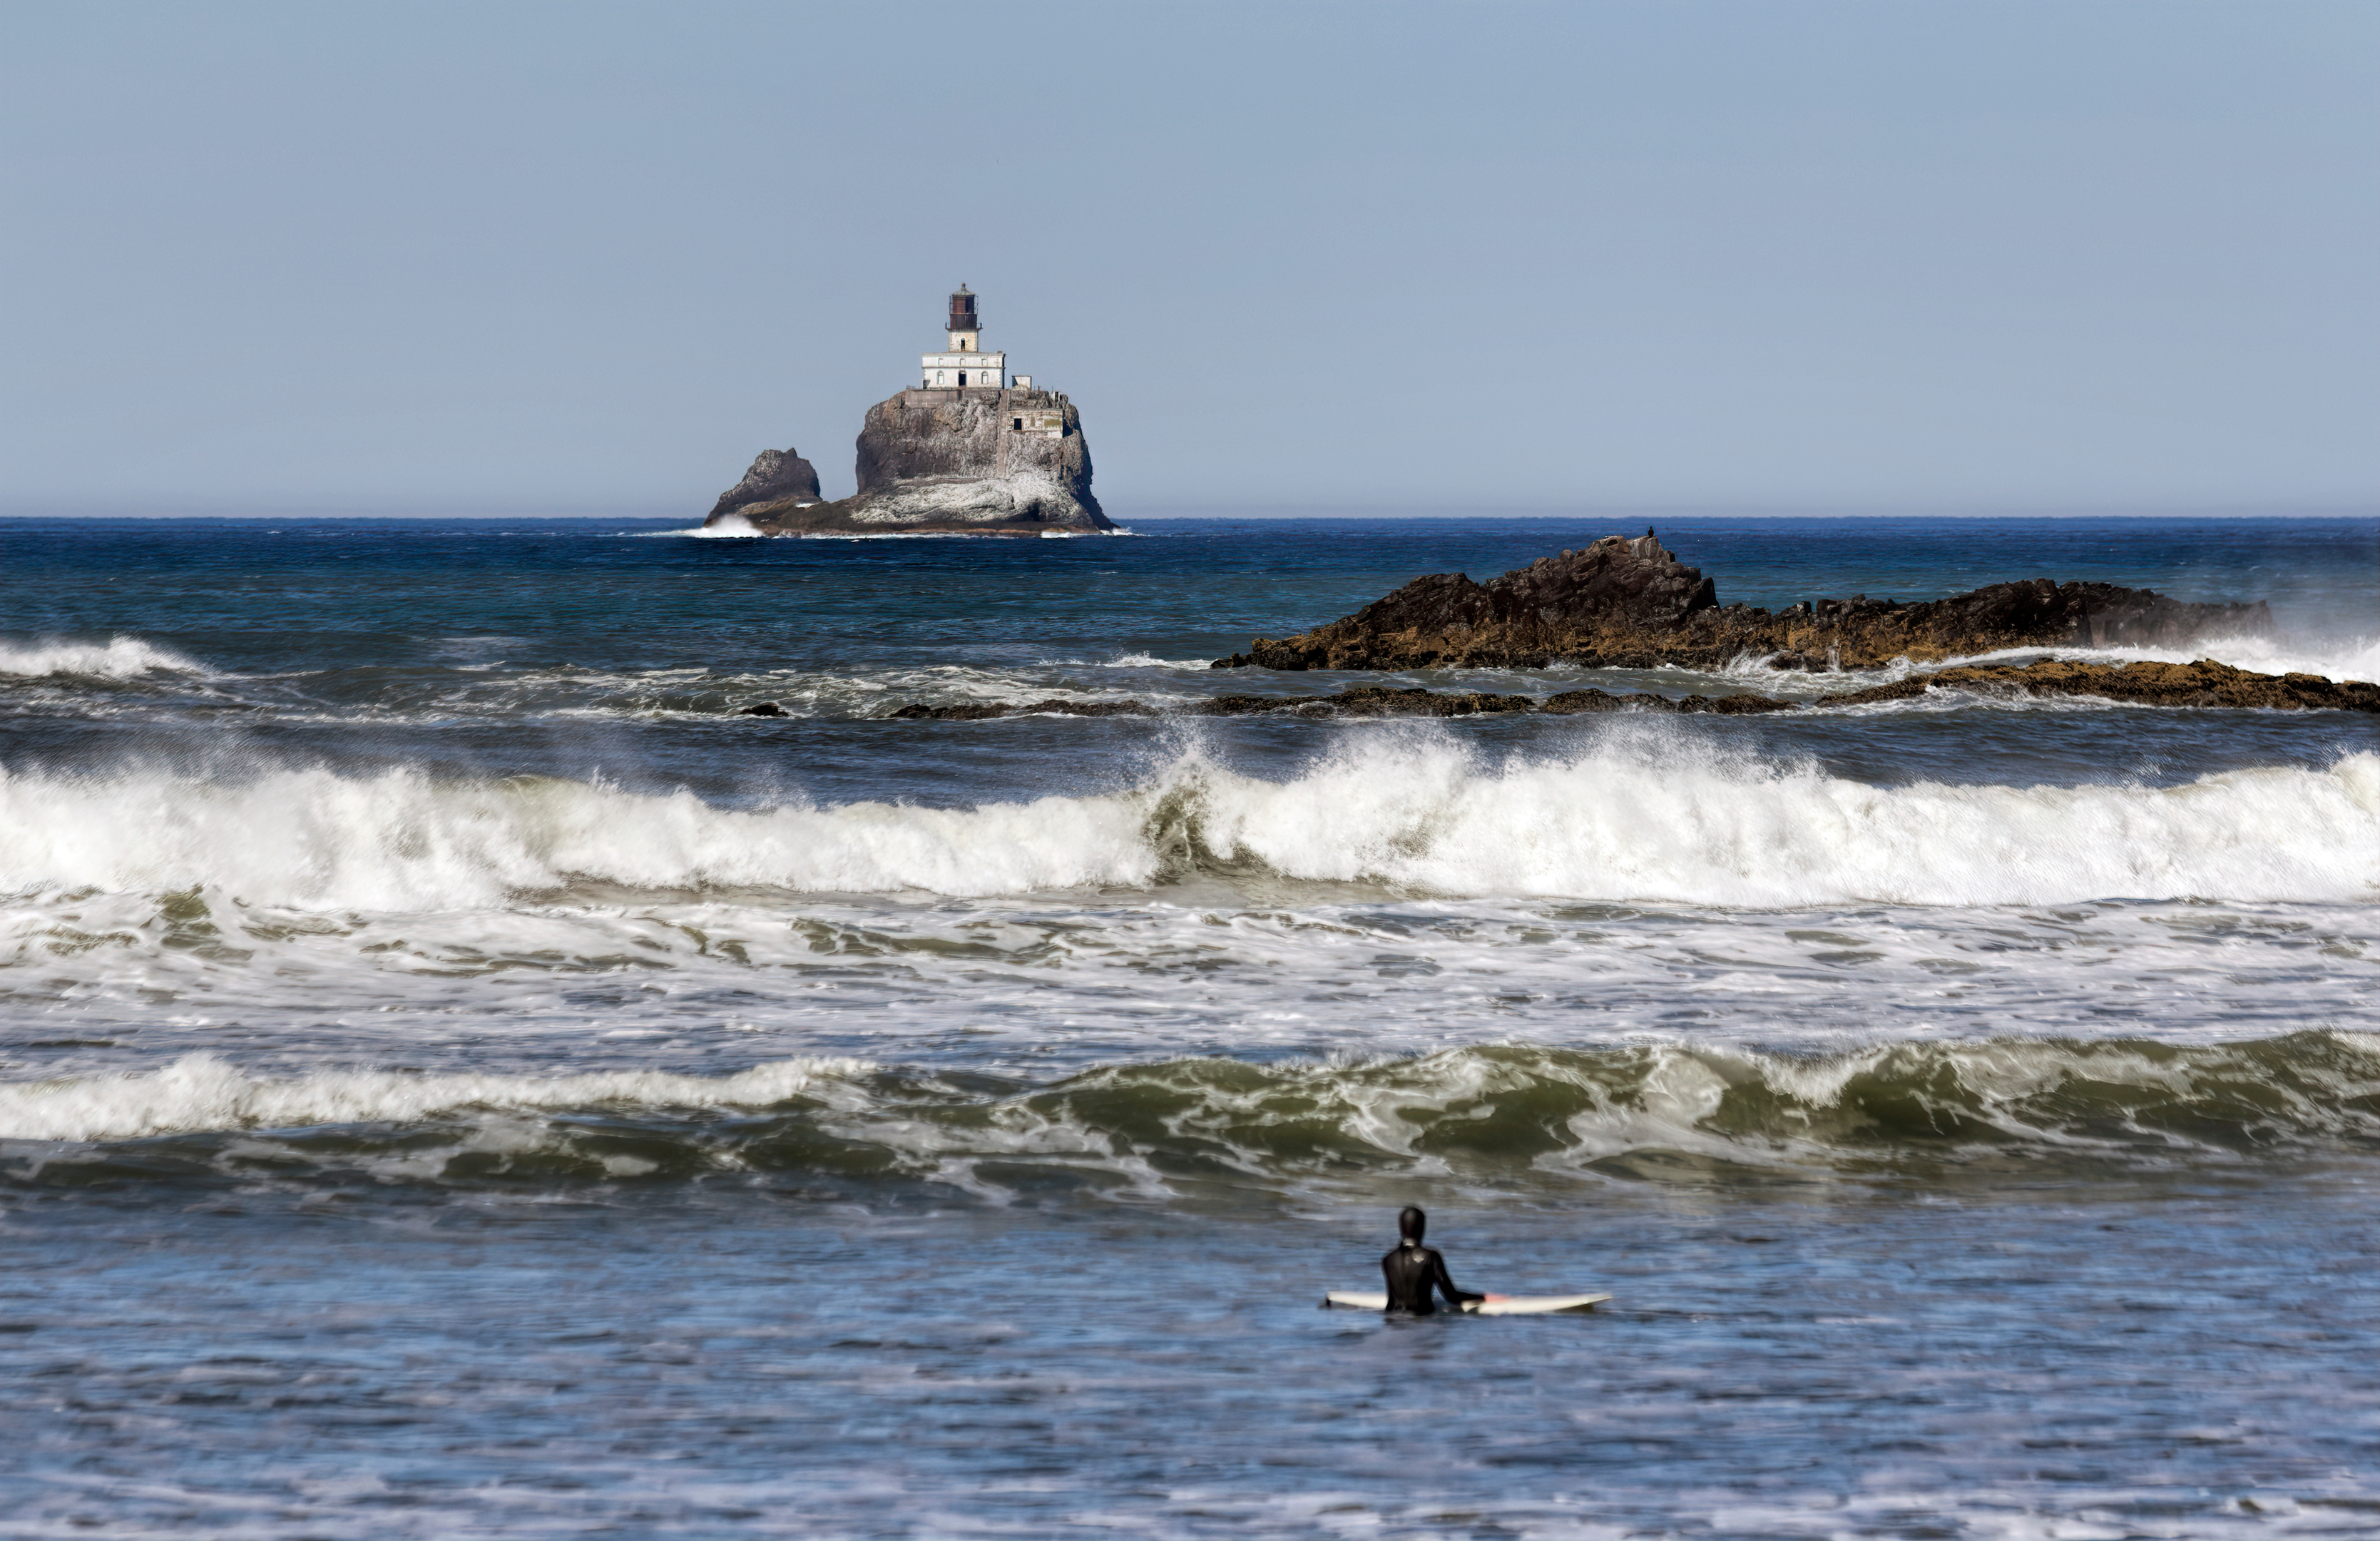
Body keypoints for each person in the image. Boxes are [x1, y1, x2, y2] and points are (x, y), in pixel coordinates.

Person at [1381, 1206, 1485, 1315]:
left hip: (1392, 1321)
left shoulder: (1387, 1259)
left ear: (1401, 1227)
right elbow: (1452, 1297)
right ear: (1422, 1227)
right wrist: (1483, 1297)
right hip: (1422, 1323)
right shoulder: (1430, 1257)